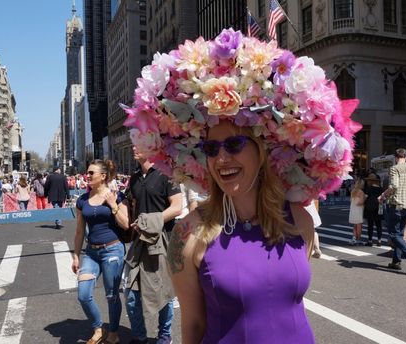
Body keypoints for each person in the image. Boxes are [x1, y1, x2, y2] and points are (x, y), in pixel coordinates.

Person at [122, 29, 361, 343]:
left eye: (234, 144)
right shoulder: (188, 234)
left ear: (262, 149)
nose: (221, 158)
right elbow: (193, 326)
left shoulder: (300, 220)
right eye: (211, 149)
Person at [124, 145, 182, 344]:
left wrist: (150, 221)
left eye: (138, 143)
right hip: (139, 243)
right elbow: (127, 204)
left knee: (163, 292)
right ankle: (139, 336)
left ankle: (164, 335)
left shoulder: (166, 173)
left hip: (163, 240)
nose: (133, 146)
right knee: (131, 294)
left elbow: (177, 207)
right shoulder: (133, 179)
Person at [72, 159, 129, 344]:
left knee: (112, 296)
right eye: (87, 173)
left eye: (91, 173)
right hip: (91, 252)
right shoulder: (82, 200)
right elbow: (80, 231)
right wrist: (75, 255)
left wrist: (113, 205)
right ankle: (99, 328)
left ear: (103, 176)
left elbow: (126, 224)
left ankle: (113, 332)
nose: (87, 176)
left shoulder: (116, 196)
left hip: (113, 250)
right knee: (83, 294)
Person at [379, 148, 406, 273]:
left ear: (396, 157)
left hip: (397, 204)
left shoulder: (394, 168)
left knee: (393, 234)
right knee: (400, 234)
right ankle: (396, 262)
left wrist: (382, 196)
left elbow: (394, 186)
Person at [363, 173, 383, 247]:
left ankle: (370, 240)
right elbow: (383, 198)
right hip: (378, 208)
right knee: (378, 225)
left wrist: (362, 202)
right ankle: (379, 240)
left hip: (369, 208)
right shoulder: (380, 188)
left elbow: (365, 197)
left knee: (370, 225)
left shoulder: (368, 188)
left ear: (370, 181)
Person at [349, 178, 366, 245]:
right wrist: (365, 198)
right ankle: (358, 239)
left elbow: (351, 201)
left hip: (353, 210)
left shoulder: (353, 191)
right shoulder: (361, 192)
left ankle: (354, 238)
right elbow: (360, 202)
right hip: (359, 210)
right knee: (359, 225)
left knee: (355, 225)